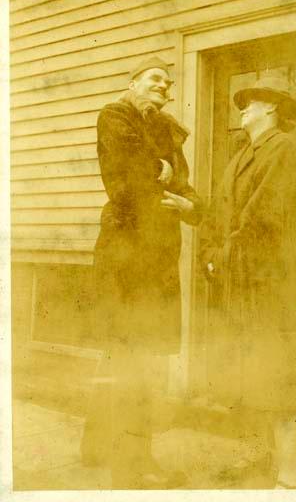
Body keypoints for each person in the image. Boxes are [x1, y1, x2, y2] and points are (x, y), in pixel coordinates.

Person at [82, 56, 202, 489]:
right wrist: (164, 173)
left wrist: (191, 204)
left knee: (127, 354)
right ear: (131, 83)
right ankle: (134, 468)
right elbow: (129, 179)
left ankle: (96, 448)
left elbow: (184, 184)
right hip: (127, 258)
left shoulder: (162, 125)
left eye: (169, 84)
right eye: (155, 79)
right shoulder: (115, 116)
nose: (165, 87)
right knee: (135, 360)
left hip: (157, 256)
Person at [200, 75, 296, 489]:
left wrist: (224, 254)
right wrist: (211, 254)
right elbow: (219, 211)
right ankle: (267, 457)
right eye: (243, 102)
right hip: (240, 274)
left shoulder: (283, 148)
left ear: (272, 109)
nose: (243, 107)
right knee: (253, 369)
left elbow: (263, 212)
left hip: (271, 277)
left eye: (252, 102)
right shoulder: (241, 155)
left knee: (279, 369)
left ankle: (290, 464)